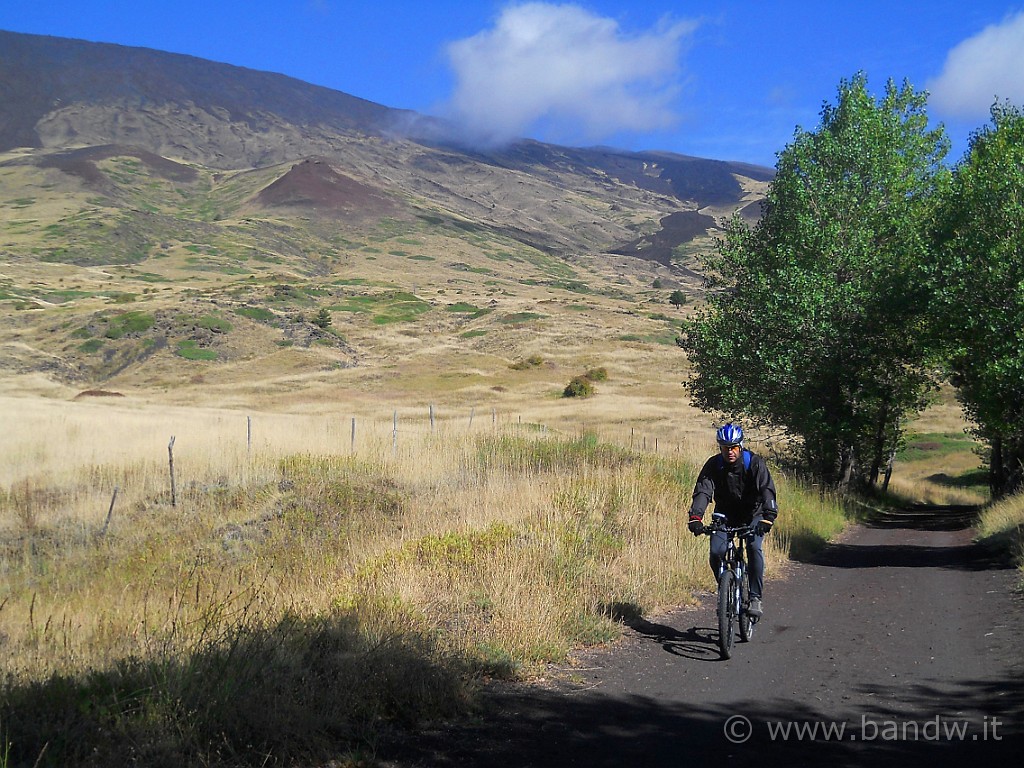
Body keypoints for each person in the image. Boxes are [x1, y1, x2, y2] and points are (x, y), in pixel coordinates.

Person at [687, 423, 778, 618]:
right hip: (725, 514)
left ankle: (755, 597)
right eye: (725, 447)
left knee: (754, 547)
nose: (729, 451)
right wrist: (695, 517)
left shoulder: (753, 463)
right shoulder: (714, 465)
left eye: (734, 447)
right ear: (720, 447)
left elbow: (766, 489)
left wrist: (769, 515)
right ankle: (725, 587)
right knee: (716, 551)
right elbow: (703, 491)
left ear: (740, 445)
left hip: (754, 514)